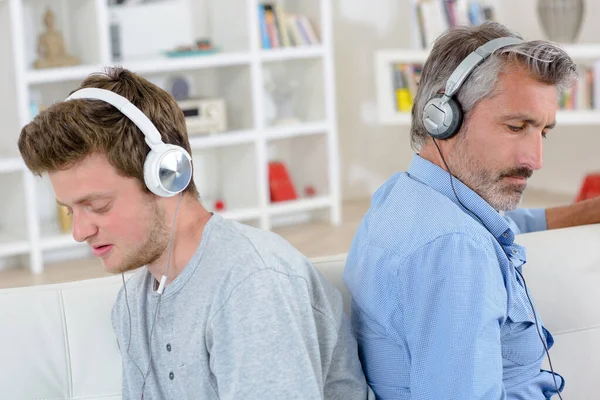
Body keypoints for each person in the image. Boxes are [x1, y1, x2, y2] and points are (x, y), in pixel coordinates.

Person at [18, 67, 373, 399]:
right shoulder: (133, 303)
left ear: (167, 175)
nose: (79, 232)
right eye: (69, 211)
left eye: (97, 206)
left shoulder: (250, 285)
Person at [344, 21, 600, 399]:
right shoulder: (455, 249)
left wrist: (587, 211)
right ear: (444, 117)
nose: (536, 159)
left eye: (542, 131)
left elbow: (497, 226)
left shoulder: (403, 198)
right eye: (516, 127)